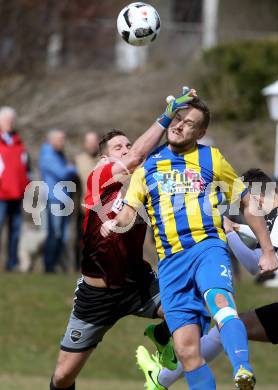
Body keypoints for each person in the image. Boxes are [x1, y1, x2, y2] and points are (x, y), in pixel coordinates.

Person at [101, 100, 278, 390]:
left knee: (221, 303)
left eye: (190, 123)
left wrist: (267, 249)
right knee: (186, 350)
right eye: (178, 118)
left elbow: (246, 201)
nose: (180, 125)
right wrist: (113, 225)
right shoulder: (147, 166)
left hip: (207, 247)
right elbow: (128, 212)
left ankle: (243, 369)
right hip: (170, 262)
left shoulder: (212, 158)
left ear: (201, 132)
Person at [49, 88, 196, 390]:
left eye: (128, 144)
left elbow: (169, 153)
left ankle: (161, 345)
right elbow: (139, 155)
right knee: (64, 377)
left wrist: (184, 118)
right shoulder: (99, 175)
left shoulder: (142, 185)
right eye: (119, 147)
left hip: (137, 283)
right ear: (105, 157)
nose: (127, 149)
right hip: (97, 296)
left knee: (190, 308)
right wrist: (166, 115)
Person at [138, 168, 278, 390]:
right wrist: (236, 227)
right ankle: (161, 379)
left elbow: (255, 265)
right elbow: (266, 234)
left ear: (257, 197)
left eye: (246, 206)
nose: (248, 212)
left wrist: (228, 233)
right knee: (231, 326)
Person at [39, 129, 77, 273]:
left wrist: (69, 169)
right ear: (52, 140)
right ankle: (49, 266)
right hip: (54, 199)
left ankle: (56, 265)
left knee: (63, 234)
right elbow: (62, 173)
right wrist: (72, 168)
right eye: (61, 139)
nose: (63, 143)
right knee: (54, 233)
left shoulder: (59, 154)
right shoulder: (48, 154)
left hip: (64, 198)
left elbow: (66, 172)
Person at [0, 106, 30, 271]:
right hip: (1, 195)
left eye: (11, 120)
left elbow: (26, 169)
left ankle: (11, 263)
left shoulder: (20, 143)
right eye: (6, 120)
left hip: (17, 195)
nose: (9, 123)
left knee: (15, 232)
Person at [74, 131, 100, 271]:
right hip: (83, 208)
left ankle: (97, 269)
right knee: (81, 240)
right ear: (85, 144)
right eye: (88, 142)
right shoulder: (77, 160)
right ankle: (79, 267)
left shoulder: (104, 160)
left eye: (94, 141)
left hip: (101, 209)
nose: (91, 145)